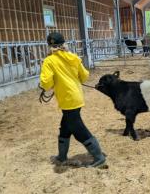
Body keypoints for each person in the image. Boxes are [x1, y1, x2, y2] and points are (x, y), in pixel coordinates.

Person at [39, 32, 106, 167]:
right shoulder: (73, 57)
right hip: (76, 97)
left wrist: (43, 83)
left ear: (49, 46)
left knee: (78, 130)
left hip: (67, 99)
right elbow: (85, 76)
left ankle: (99, 157)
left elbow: (46, 83)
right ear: (64, 44)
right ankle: (62, 156)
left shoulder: (49, 61)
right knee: (65, 127)